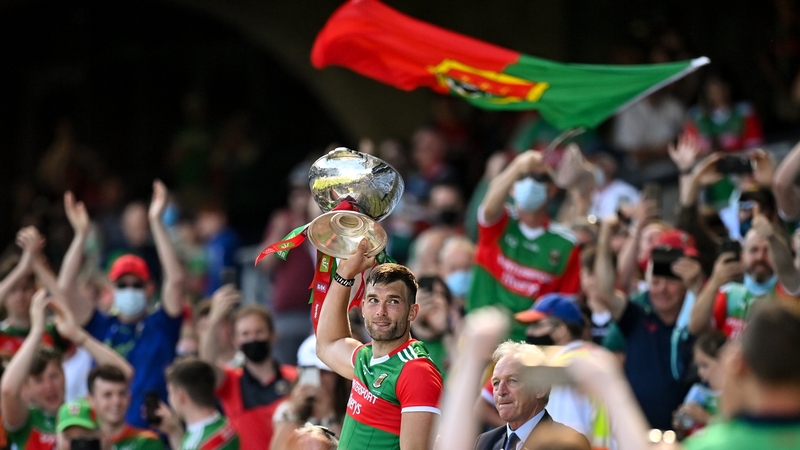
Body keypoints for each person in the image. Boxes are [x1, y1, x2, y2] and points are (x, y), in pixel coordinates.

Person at [61, 181, 184, 428]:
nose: (130, 291)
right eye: (123, 285)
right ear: (111, 291)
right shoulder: (100, 326)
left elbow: (176, 281)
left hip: (154, 440)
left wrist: (156, 224)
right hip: (107, 438)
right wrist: (81, 235)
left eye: (136, 285)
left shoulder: (162, 325)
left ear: (150, 290)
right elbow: (65, 288)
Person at [316, 239, 443, 450]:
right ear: (363, 307)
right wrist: (344, 275)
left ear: (413, 312)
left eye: (393, 301)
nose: (381, 311)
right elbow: (327, 345)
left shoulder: (416, 371)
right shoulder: (365, 357)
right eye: (374, 300)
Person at [596, 218, 701, 430]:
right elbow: (605, 291)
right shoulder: (637, 315)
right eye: (656, 282)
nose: (662, 289)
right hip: (634, 433)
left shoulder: (696, 319)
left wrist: (698, 288)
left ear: (685, 286)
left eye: (671, 282)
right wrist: (605, 235)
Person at [467, 150, 581, 341]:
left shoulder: (566, 244)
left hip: (527, 345)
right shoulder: (499, 222)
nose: (530, 183)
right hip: (480, 335)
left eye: (539, 177)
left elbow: (566, 304)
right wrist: (518, 165)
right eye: (522, 177)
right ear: (511, 188)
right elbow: (488, 207)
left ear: (552, 189)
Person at [1, 289, 133, 450]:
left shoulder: (83, 409)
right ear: (27, 387)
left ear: (64, 374)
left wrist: (79, 336)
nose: (49, 386)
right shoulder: (26, 420)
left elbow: (124, 374)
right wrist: (36, 332)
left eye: (54, 376)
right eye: (39, 380)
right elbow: (8, 390)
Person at [199, 285, 297, 450]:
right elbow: (205, 365)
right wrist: (214, 318)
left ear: (273, 336)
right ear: (235, 341)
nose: (253, 338)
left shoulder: (295, 377)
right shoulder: (230, 382)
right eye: (245, 334)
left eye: (259, 332)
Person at [514, 294, 610, 449]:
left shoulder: (563, 368)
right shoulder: (596, 358)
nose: (530, 333)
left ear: (561, 331)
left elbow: (566, 438)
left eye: (537, 325)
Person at [689, 213, 800, 339]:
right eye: (754, 250)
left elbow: (787, 269)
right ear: (742, 256)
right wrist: (715, 282)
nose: (760, 257)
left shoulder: (789, 289)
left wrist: (772, 237)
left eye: (767, 250)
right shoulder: (729, 293)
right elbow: (696, 328)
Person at [475, 341, 590, 450]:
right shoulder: (485, 442)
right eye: (496, 383)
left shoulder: (567, 444)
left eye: (512, 380)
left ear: (540, 389)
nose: (501, 391)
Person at [157, 358, 240, 450]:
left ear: (181, 396)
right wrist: (174, 431)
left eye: (170, 392)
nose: (169, 399)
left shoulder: (195, 444)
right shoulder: (230, 426)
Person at [86, 365, 164, 450]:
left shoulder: (147, 442)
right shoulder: (82, 443)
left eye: (122, 394)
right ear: (91, 400)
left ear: (129, 397)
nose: (116, 401)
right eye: (107, 395)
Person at [673, 331, 727, 436]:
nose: (699, 372)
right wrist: (681, 425)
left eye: (705, 365)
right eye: (697, 366)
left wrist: (706, 418)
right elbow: (688, 431)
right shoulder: (698, 392)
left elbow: (736, 433)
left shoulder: (735, 397)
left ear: (724, 362)